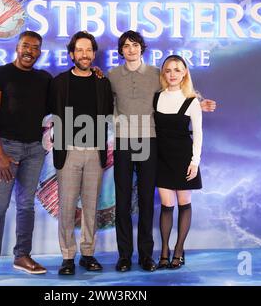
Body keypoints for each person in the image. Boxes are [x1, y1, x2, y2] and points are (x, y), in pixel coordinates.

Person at [107, 30, 216, 272]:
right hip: (124, 140)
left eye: (135, 45)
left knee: (147, 200)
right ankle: (124, 255)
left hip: (150, 141)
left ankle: (147, 256)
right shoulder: (111, 75)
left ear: (141, 48)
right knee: (123, 201)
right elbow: (105, 102)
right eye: (126, 46)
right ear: (121, 50)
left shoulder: (157, 74)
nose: (131, 49)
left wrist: (200, 102)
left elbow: (179, 90)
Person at [0, 31, 51, 285]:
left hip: (35, 150)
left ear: (39, 52)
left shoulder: (44, 78)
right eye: (25, 46)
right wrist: (0, 155)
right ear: (17, 48)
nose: (30, 51)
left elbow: (58, 107)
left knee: (27, 204)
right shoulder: (0, 74)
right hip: (7, 149)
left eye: (35, 47)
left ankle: (22, 256)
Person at [50, 31, 113, 275]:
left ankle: (88, 254)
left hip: (95, 152)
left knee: (91, 206)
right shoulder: (59, 83)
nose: (85, 55)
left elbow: (108, 112)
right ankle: (67, 256)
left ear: (93, 54)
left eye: (89, 50)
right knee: (66, 207)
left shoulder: (102, 82)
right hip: (69, 152)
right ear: (72, 54)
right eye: (80, 50)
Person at [153, 55, 202, 270]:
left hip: (184, 159)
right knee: (166, 205)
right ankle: (164, 250)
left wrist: (195, 162)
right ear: (164, 73)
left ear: (184, 74)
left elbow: (198, 134)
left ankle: (179, 250)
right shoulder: (156, 97)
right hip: (161, 158)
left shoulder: (192, 100)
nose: (172, 74)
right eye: (168, 70)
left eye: (177, 70)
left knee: (184, 204)